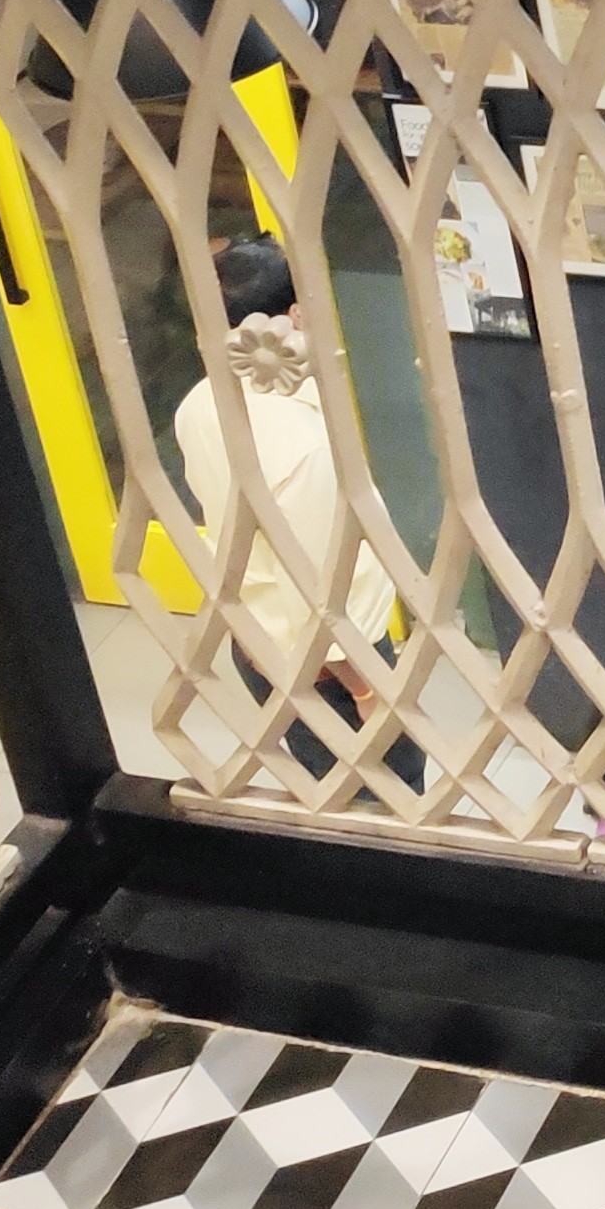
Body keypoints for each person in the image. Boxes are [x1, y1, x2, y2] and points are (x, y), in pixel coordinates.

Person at [172, 237, 422, 795]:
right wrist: (366, 691)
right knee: (387, 796)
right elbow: (322, 586)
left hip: (258, 642)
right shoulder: (299, 443)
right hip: (331, 666)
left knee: (327, 785)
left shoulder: (198, 404)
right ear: (294, 315)